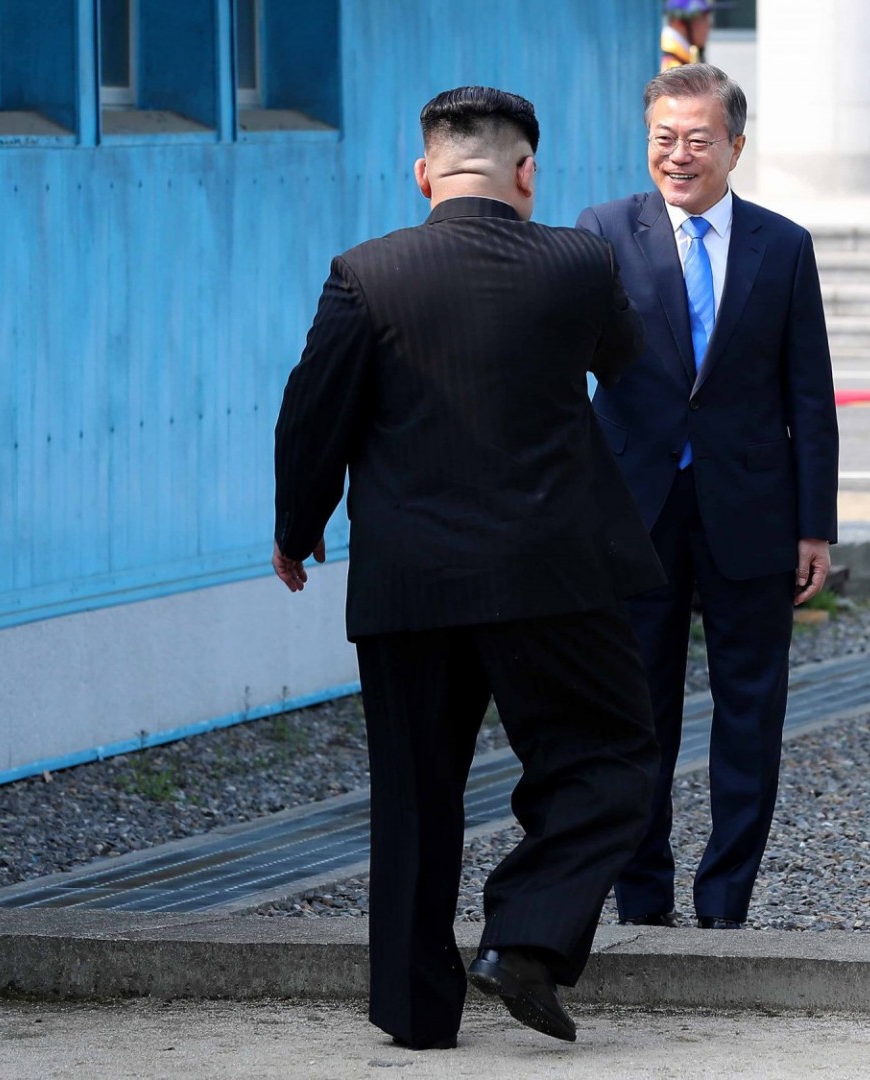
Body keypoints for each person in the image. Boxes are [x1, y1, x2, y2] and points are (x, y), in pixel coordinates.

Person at [272, 86, 663, 1049]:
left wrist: (297, 527)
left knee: (414, 793)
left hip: (411, 581)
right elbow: (623, 357)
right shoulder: (580, 260)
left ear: (423, 173)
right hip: (551, 576)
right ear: (526, 172)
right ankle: (524, 939)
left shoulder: (365, 273)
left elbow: (313, 408)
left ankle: (414, 1016)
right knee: (610, 757)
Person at [577, 63, 838, 932]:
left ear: (734, 145)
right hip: (634, 514)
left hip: (752, 513)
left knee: (750, 714)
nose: (677, 155)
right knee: (635, 717)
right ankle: (643, 905)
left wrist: (815, 526)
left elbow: (810, 394)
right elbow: (562, 374)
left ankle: (726, 905)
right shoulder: (603, 231)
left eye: (696, 140)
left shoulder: (782, 244)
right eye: (663, 138)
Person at [662, 0, 724, 71]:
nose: (708, 25)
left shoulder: (685, 54)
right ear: (679, 23)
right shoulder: (670, 64)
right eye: (702, 19)